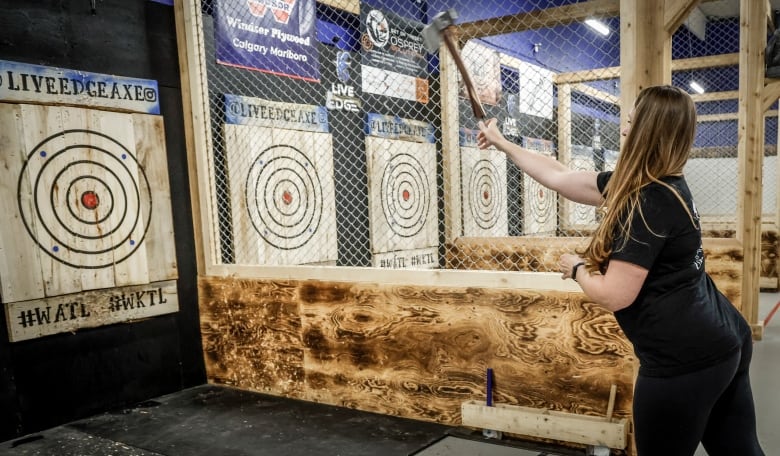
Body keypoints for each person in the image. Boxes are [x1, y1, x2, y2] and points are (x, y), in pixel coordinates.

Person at [476, 85, 764, 456]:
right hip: (724, 337)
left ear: (647, 131)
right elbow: (561, 177)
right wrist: (503, 142)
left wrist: (577, 268)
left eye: (631, 122)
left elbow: (615, 294)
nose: (624, 129)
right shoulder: (653, 185)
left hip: (684, 359)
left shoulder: (646, 202)